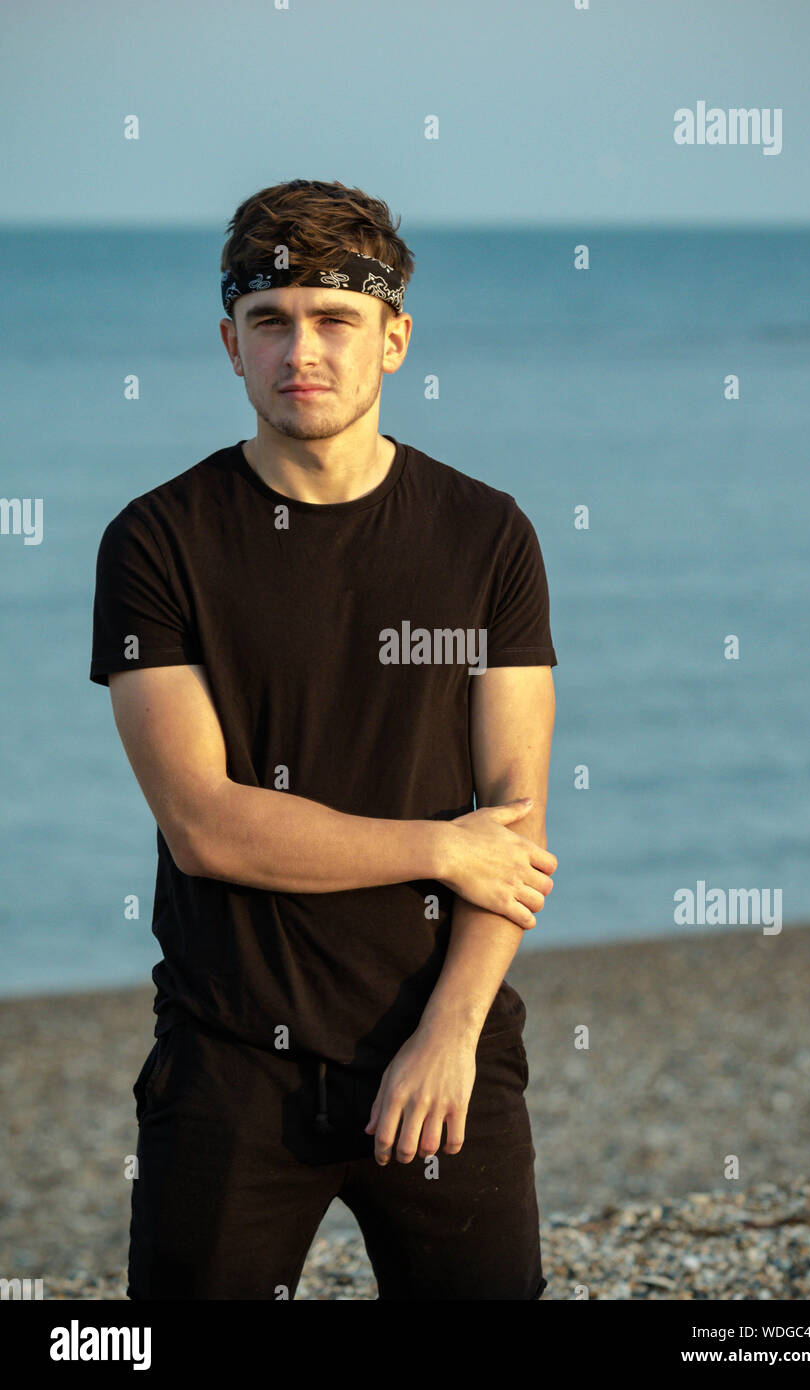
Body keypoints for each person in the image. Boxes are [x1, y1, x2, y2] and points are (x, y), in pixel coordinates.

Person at [89, 178, 558, 1300]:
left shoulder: (486, 533)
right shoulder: (157, 540)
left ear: (393, 337)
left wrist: (448, 1032)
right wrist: (439, 849)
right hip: (231, 1054)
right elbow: (206, 826)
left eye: (336, 319)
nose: (303, 349)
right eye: (271, 321)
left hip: (443, 1037)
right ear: (230, 344)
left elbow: (516, 818)